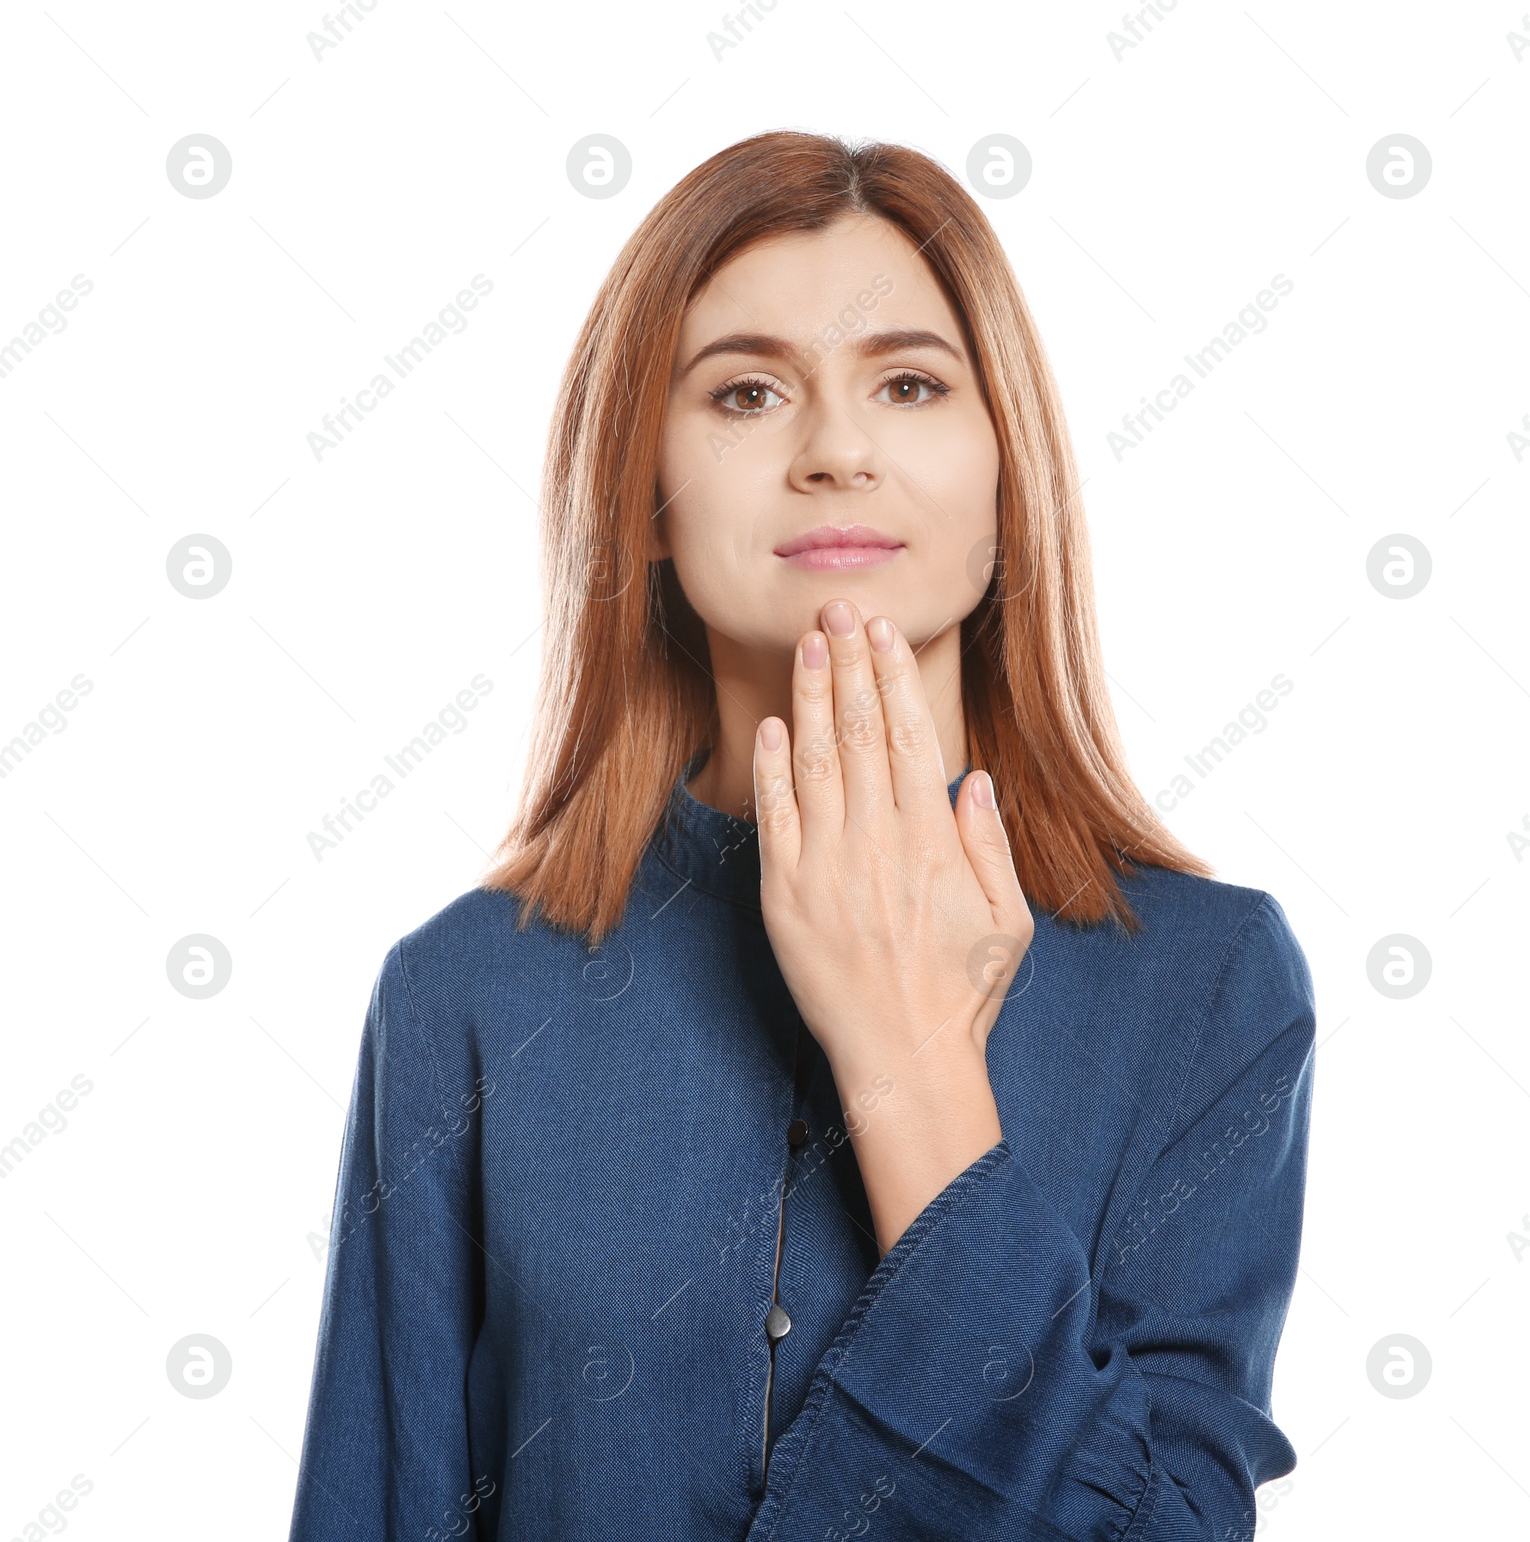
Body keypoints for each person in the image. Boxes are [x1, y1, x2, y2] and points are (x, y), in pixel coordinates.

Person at [286, 129, 1317, 1541]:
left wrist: (911, 1061)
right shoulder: (466, 991)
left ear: (1009, 480)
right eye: (748, 391)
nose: (836, 449)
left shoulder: (1208, 980)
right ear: (641, 497)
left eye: (908, 383)